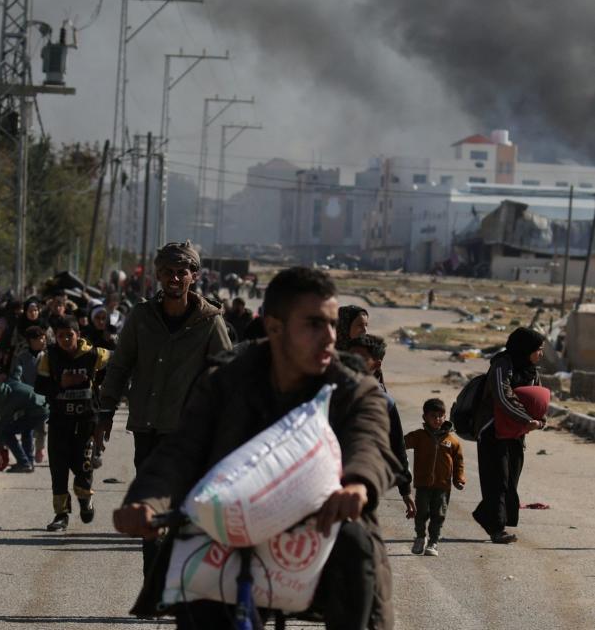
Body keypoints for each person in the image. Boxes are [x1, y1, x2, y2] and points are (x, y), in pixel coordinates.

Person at [113, 267, 398, 630]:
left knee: (357, 546)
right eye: (313, 324)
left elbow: (370, 441)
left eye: (331, 324)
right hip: (233, 518)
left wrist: (357, 485)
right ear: (275, 327)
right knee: (196, 581)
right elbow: (181, 451)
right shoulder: (225, 380)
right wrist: (146, 502)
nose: (329, 337)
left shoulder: (354, 387)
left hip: (324, 521)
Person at [97, 241, 232, 568]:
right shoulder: (141, 317)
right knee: (150, 510)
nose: (174, 278)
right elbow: (120, 366)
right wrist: (104, 412)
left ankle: (180, 580)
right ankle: (154, 581)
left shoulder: (210, 321)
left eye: (181, 273)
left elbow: (228, 375)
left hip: (189, 434)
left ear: (194, 277)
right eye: (168, 272)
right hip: (148, 429)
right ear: (158, 275)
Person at [35, 315, 110, 531]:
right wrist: (61, 385)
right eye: (61, 336)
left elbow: (119, 359)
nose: (66, 340)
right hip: (60, 421)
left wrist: (104, 388)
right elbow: (39, 385)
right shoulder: (50, 357)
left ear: (78, 335)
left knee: (83, 466)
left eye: (70, 335)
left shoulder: (94, 354)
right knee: (58, 469)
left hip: (87, 422)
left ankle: (85, 499)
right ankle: (61, 514)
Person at [472, 327, 545, 544]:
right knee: (497, 479)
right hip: (492, 430)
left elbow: (538, 399)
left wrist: (540, 420)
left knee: (511, 478)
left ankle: (486, 515)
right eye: (538, 349)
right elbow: (503, 397)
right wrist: (525, 419)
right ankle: (497, 528)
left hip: (515, 433)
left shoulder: (532, 371)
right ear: (526, 348)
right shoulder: (502, 365)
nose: (541, 354)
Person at [347, 334, 413, 518]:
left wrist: (405, 490)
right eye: (350, 356)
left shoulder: (385, 403)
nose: (352, 362)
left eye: (360, 359)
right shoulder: (329, 391)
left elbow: (397, 446)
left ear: (376, 365)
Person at [404, 399, 465, 556]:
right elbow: (400, 443)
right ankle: (420, 537)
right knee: (421, 512)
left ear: (445, 417)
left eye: (440, 416)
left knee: (438, 515)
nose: (437, 419)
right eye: (433, 416)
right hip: (423, 484)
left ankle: (433, 542)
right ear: (425, 417)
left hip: (443, 486)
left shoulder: (452, 442)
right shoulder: (418, 436)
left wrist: (459, 478)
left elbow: (459, 462)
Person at [0, 369, 49, 472]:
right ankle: (28, 463)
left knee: (7, 432)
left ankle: (24, 463)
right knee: (26, 429)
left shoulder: (3, 399)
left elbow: (3, 426)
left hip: (38, 410)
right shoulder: (6, 387)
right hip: (42, 405)